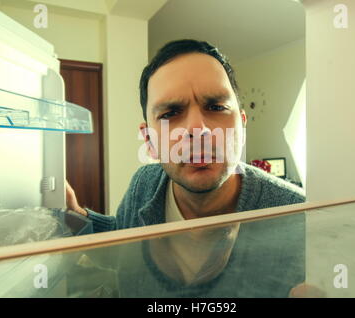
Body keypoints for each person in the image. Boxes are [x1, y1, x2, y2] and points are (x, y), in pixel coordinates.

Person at [66, 39, 307, 297]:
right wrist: (77, 216)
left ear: (242, 126)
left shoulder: (298, 218)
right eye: (170, 113)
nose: (198, 130)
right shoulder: (144, 183)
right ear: (149, 140)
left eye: (216, 107)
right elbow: (124, 243)